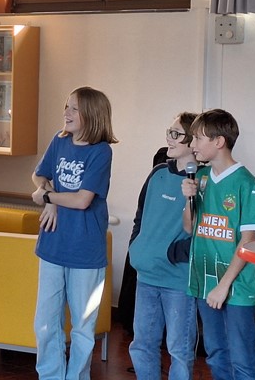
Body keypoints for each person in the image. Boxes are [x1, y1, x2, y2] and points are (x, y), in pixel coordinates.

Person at [30, 86, 117, 380]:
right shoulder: (60, 140)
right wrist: (50, 199)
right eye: (66, 106)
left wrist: (47, 197)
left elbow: (82, 200)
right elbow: (39, 175)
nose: (65, 113)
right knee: (45, 322)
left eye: (73, 108)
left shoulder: (101, 151)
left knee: (82, 327)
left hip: (85, 252)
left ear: (90, 114)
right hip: (52, 246)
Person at [181, 108, 255, 380]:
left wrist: (224, 285)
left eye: (198, 138)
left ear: (219, 142)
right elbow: (189, 227)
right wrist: (189, 199)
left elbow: (248, 241)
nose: (192, 145)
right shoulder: (201, 177)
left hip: (235, 286)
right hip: (205, 279)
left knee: (242, 359)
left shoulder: (246, 183)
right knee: (216, 354)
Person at [128, 112, 200, 380]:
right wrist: (137, 247)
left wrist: (174, 254)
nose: (169, 139)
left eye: (176, 134)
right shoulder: (158, 173)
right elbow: (140, 215)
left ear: (193, 141)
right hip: (146, 275)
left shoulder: (203, 180)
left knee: (179, 350)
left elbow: (203, 231)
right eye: (169, 132)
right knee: (142, 345)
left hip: (178, 280)